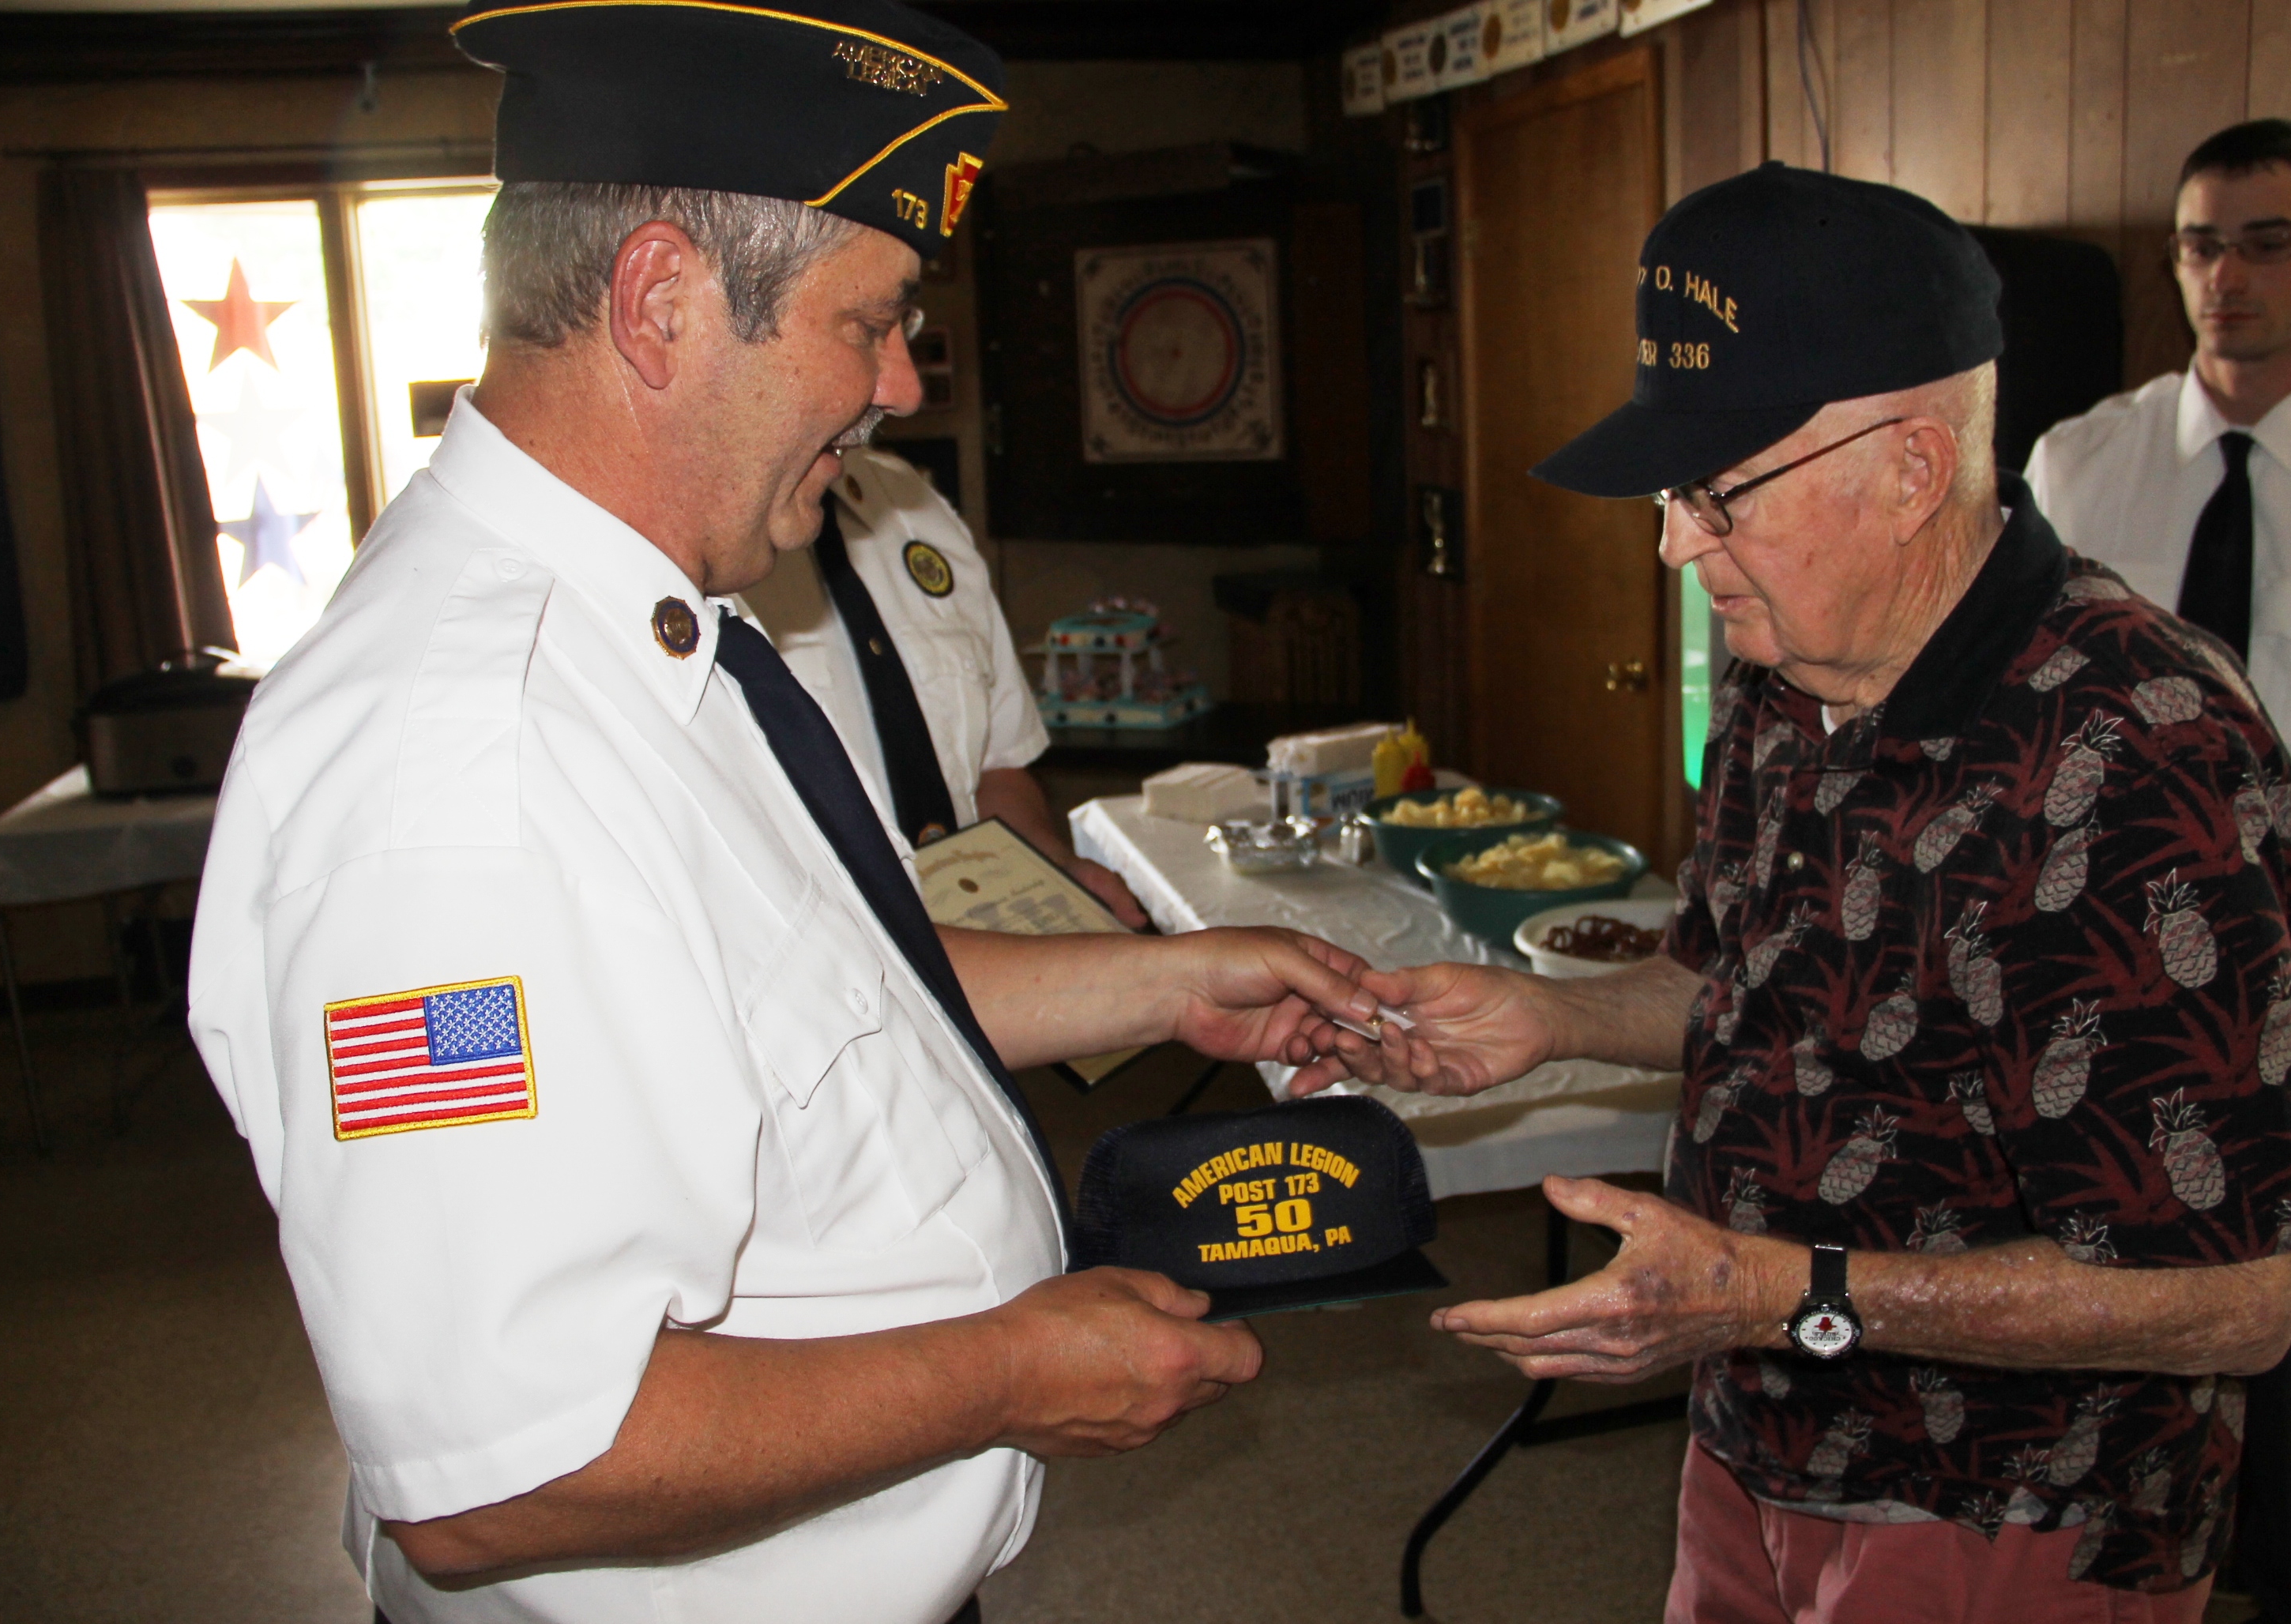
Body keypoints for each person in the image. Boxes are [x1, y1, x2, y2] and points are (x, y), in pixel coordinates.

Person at [183, 6, 1389, 1621]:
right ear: (662, 303)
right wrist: (1008, 1369)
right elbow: (503, 1468)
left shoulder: (651, 631)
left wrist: (1165, 982)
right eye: (868, 322)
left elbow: (816, 1000)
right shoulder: (465, 770)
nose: (900, 382)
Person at [1301, 163, 2291, 1620]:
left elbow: (2235, 1300)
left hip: (2007, 1504)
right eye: (1671, 492)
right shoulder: (1787, 668)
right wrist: (1546, 1019)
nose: (1673, 544)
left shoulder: (2140, 753)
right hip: (1759, 1430)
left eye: (1716, 493)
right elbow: (1747, 987)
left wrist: (1779, 1291)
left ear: (1911, 469)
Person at [2026, 118, 2291, 1624]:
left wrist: (2259, 933)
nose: (2228, 276)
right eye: (2201, 244)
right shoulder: (2080, 461)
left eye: (2268, 242)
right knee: (2107, 1287)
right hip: (2104, 945)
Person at [744, 440, 1149, 923]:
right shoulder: (707, 553)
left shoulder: (914, 504)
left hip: (985, 940)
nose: (907, 400)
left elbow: (995, 768)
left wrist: (1054, 868)